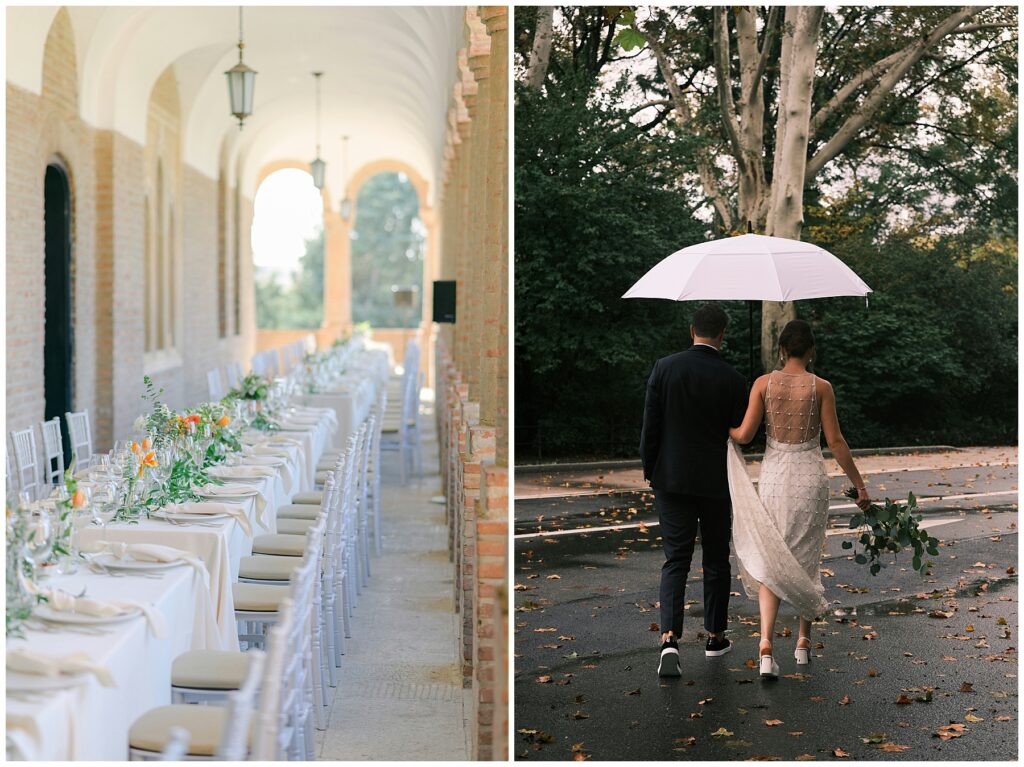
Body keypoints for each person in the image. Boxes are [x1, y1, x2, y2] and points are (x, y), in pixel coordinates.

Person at [727, 318, 871, 680]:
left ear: (781, 349)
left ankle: (765, 646)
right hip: (809, 477)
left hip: (775, 476)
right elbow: (835, 442)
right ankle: (804, 643)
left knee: (772, 556)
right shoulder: (821, 387)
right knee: (807, 555)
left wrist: (721, 427)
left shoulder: (763, 384)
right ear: (811, 351)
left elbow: (744, 435)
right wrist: (860, 486)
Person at [640, 303, 748, 677]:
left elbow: (650, 425)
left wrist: (650, 467)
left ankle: (669, 637)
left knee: (676, 559)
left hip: (671, 477)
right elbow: (741, 434)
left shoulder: (665, 367)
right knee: (716, 559)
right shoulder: (733, 378)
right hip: (716, 481)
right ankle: (715, 637)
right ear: (722, 335)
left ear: (692, 330)